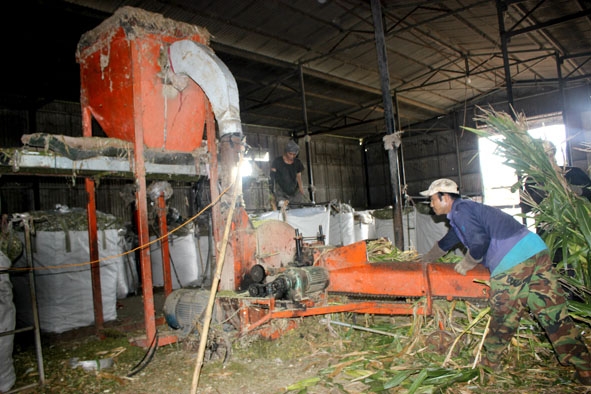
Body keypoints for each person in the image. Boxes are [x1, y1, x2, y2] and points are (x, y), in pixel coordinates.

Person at [420, 178, 591, 385]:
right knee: (551, 313)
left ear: (445, 197)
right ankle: (585, 367)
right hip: (535, 249)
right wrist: (425, 259)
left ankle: (487, 370)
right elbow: (449, 240)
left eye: (432, 200)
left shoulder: (460, 210)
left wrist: (468, 262)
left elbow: (479, 241)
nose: (431, 205)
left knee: (504, 315)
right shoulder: (466, 213)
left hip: (513, 260)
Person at [270, 140, 310, 209]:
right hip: (281, 191)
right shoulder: (277, 161)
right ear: (286, 152)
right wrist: (272, 190)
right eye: (290, 154)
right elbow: (272, 176)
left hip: (294, 191)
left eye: (294, 154)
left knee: (296, 209)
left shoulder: (297, 162)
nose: (291, 156)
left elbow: (298, 176)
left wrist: (301, 187)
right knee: (283, 208)